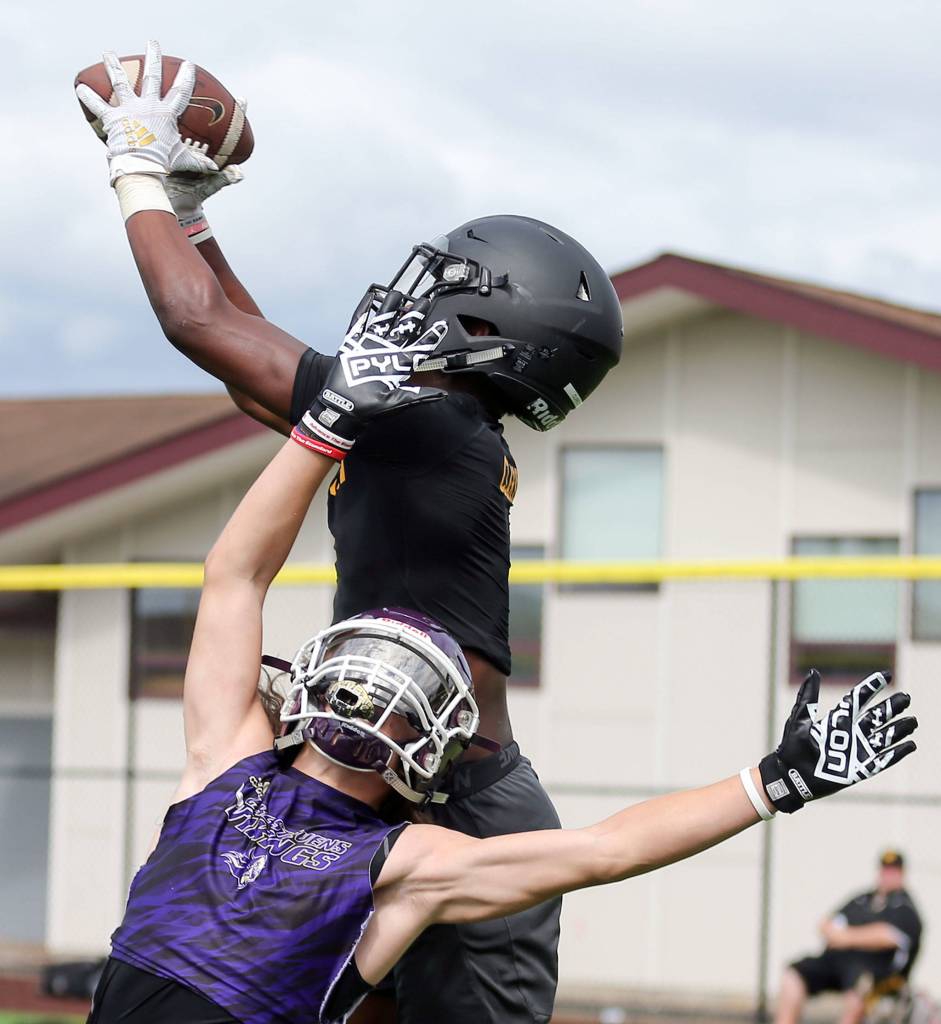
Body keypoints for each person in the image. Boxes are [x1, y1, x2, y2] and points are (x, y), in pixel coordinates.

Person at [83, 319, 918, 1024]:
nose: (374, 695)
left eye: (387, 687)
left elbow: (605, 851)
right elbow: (603, 851)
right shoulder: (271, 789)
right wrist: (323, 425)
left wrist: (776, 781)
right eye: (370, 676)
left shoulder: (308, 810)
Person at [76, 42, 623, 1024]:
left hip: (453, 804)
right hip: (399, 787)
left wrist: (137, 164)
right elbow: (258, 376)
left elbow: (195, 321)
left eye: (451, 281)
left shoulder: (426, 427)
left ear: (497, 318)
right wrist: (194, 217)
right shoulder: (431, 429)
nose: (420, 293)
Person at [775, 850, 924, 1024]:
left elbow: (886, 935)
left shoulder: (905, 908)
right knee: (793, 975)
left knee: (859, 989)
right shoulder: (862, 899)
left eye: (893, 871)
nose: (888, 875)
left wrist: (846, 938)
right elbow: (826, 924)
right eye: (885, 870)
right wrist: (848, 936)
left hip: (873, 972)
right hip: (836, 962)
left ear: (902, 874)